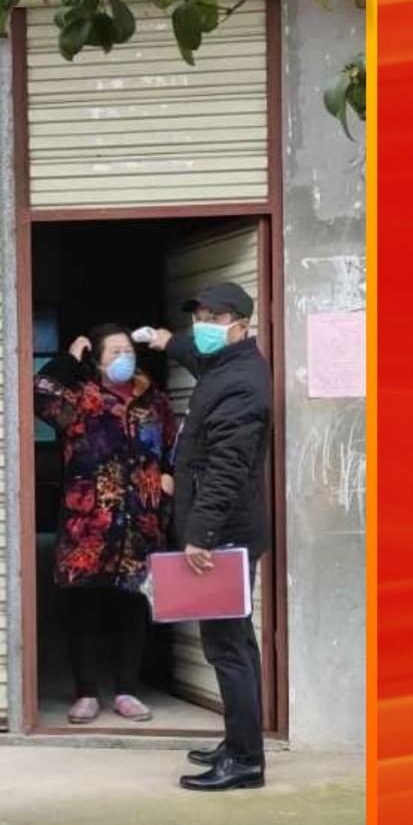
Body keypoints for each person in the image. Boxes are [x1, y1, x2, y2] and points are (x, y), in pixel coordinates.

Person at [150, 283, 271, 790]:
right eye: (199, 316)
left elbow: (227, 467)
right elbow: (197, 356)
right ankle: (240, 741)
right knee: (236, 642)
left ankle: (244, 761)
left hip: (222, 535)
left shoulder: (241, 383)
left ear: (241, 324)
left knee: (226, 648)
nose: (203, 326)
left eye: (214, 318)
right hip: (227, 530)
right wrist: (168, 341)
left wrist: (201, 534)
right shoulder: (225, 365)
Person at [34, 323, 176, 724]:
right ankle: (86, 693)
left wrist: (170, 474)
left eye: (127, 350)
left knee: (132, 607)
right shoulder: (81, 399)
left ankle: (127, 691)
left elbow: (176, 441)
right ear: (96, 361)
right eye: (114, 352)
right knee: (85, 610)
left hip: (140, 523)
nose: (123, 358)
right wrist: (68, 359)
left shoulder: (154, 401)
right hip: (89, 526)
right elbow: (39, 394)